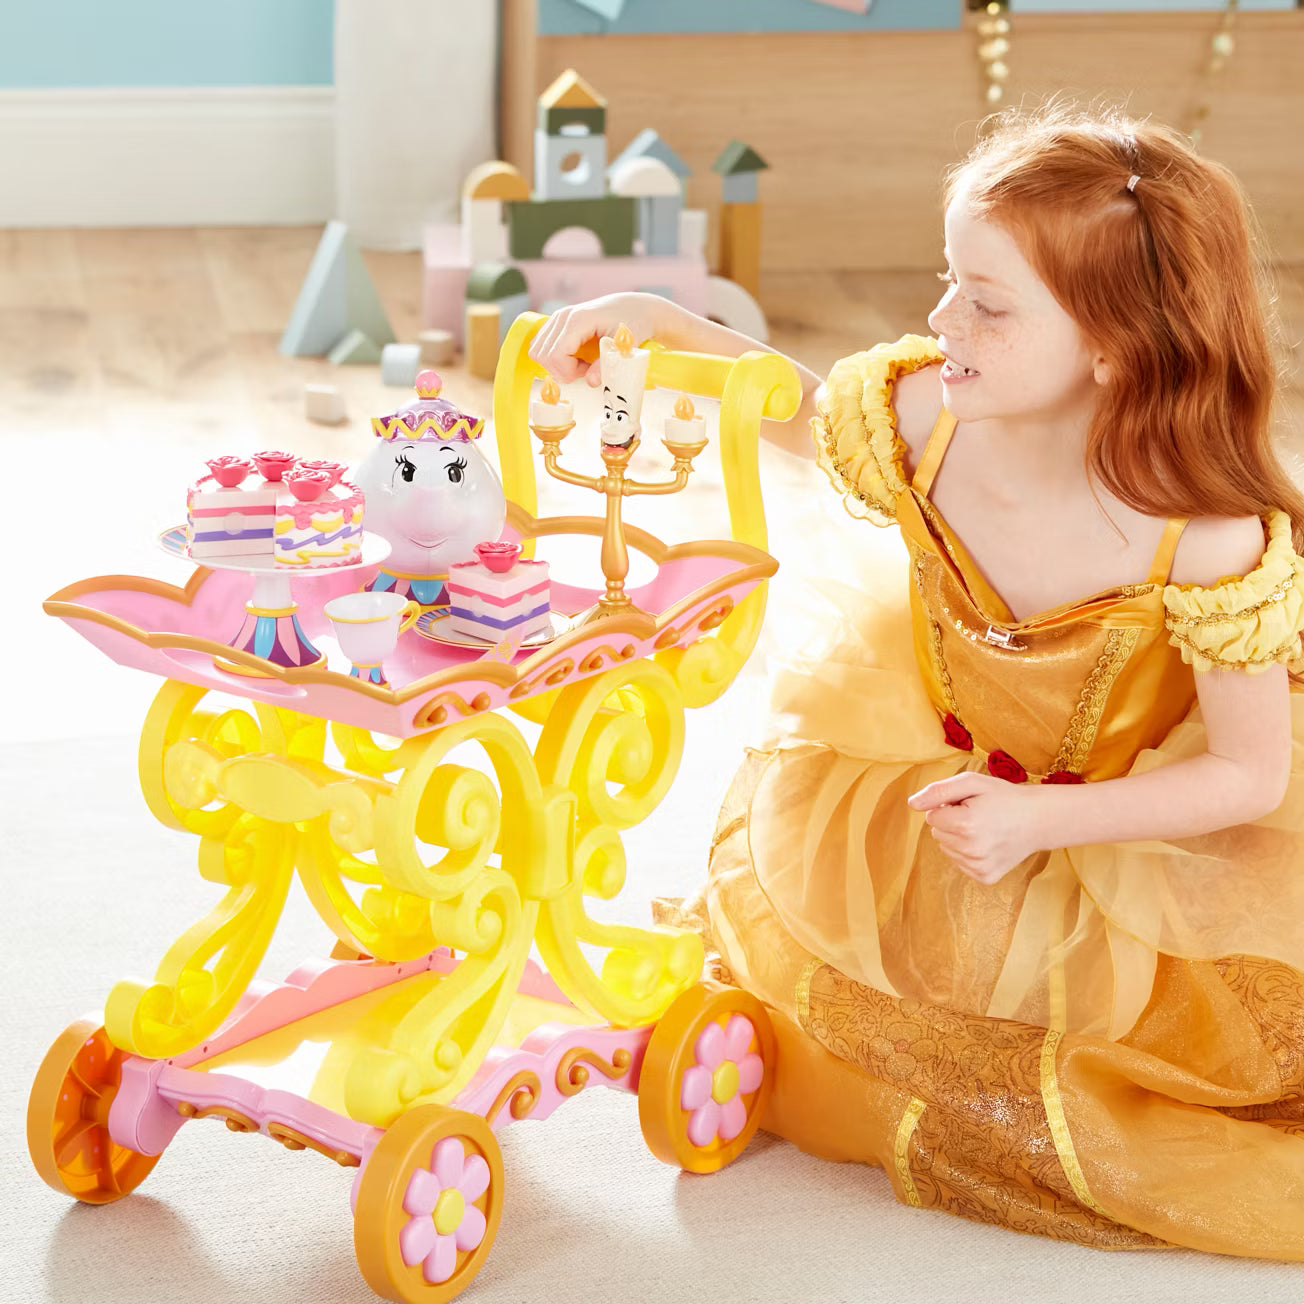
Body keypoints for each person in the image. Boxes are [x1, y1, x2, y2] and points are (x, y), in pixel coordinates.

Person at [528, 100, 1304, 1258]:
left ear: (1113, 347)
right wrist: (654, 321)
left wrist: (1045, 816)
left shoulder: (1200, 532)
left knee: (1131, 1086)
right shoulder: (931, 420)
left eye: (987, 304)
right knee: (822, 1004)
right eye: (947, 280)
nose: (941, 319)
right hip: (951, 777)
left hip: (1124, 822)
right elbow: (781, 399)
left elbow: (1247, 773)